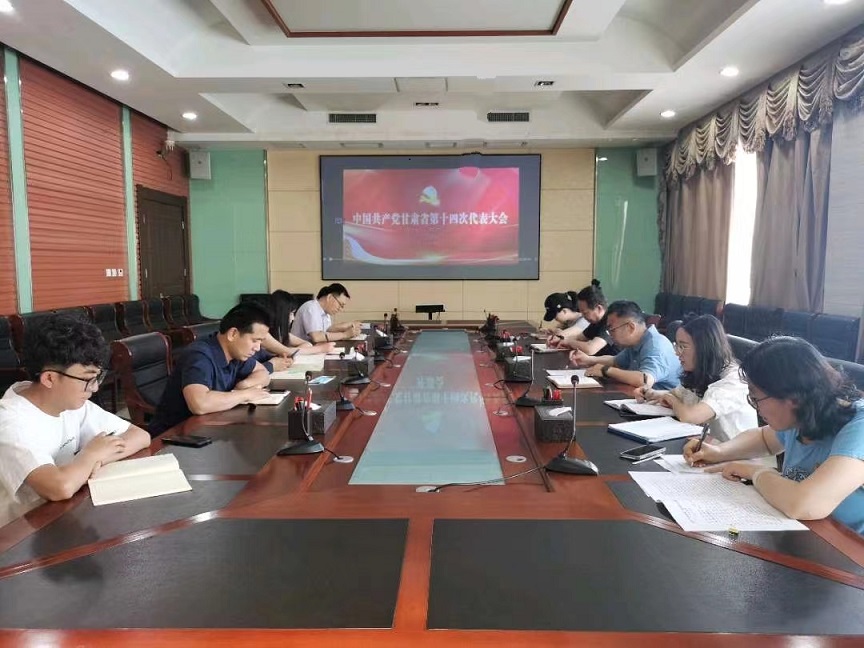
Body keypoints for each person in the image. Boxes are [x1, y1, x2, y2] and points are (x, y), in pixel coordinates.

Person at [684, 336, 864, 534]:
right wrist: (718, 451)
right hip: (807, 532)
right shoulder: (802, 414)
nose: (756, 407)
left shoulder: (859, 427)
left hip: (848, 544)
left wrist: (756, 472)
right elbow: (764, 439)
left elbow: (804, 504)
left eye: (756, 398)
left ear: (791, 397)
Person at [0, 314, 151, 526]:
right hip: (22, 530)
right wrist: (90, 456)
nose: (95, 388)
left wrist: (95, 460)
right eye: (88, 379)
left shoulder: (69, 401)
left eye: (97, 377)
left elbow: (140, 436)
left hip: (65, 514)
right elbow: (59, 487)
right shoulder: (10, 422)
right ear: (50, 378)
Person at [148, 303, 273, 436]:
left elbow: (262, 373)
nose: (258, 348)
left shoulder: (235, 353)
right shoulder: (199, 356)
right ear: (233, 334)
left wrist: (244, 385)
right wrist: (244, 395)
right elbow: (199, 404)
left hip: (208, 429)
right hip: (174, 437)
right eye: (255, 340)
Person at [637, 314, 756, 441]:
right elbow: (678, 395)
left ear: (704, 348)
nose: (677, 352)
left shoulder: (733, 382)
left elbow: (690, 416)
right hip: (706, 444)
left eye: (683, 346)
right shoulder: (701, 370)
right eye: (676, 345)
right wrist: (651, 393)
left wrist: (670, 398)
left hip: (734, 451)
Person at [569, 300, 680, 390]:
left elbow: (644, 380)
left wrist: (606, 370)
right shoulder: (637, 342)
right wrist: (588, 359)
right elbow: (615, 361)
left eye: (612, 329)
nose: (610, 334)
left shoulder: (655, 345)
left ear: (631, 327)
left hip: (663, 407)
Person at [551, 279, 616, 356]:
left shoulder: (611, 322)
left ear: (599, 308)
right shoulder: (595, 322)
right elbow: (579, 338)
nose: (583, 317)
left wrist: (568, 342)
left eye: (585, 313)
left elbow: (590, 349)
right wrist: (560, 339)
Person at [290, 283, 362, 344]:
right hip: (300, 352)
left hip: (313, 349)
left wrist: (347, 326)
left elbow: (327, 330)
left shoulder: (325, 312)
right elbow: (317, 337)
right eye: (340, 304)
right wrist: (345, 335)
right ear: (329, 297)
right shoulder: (311, 308)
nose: (340, 309)